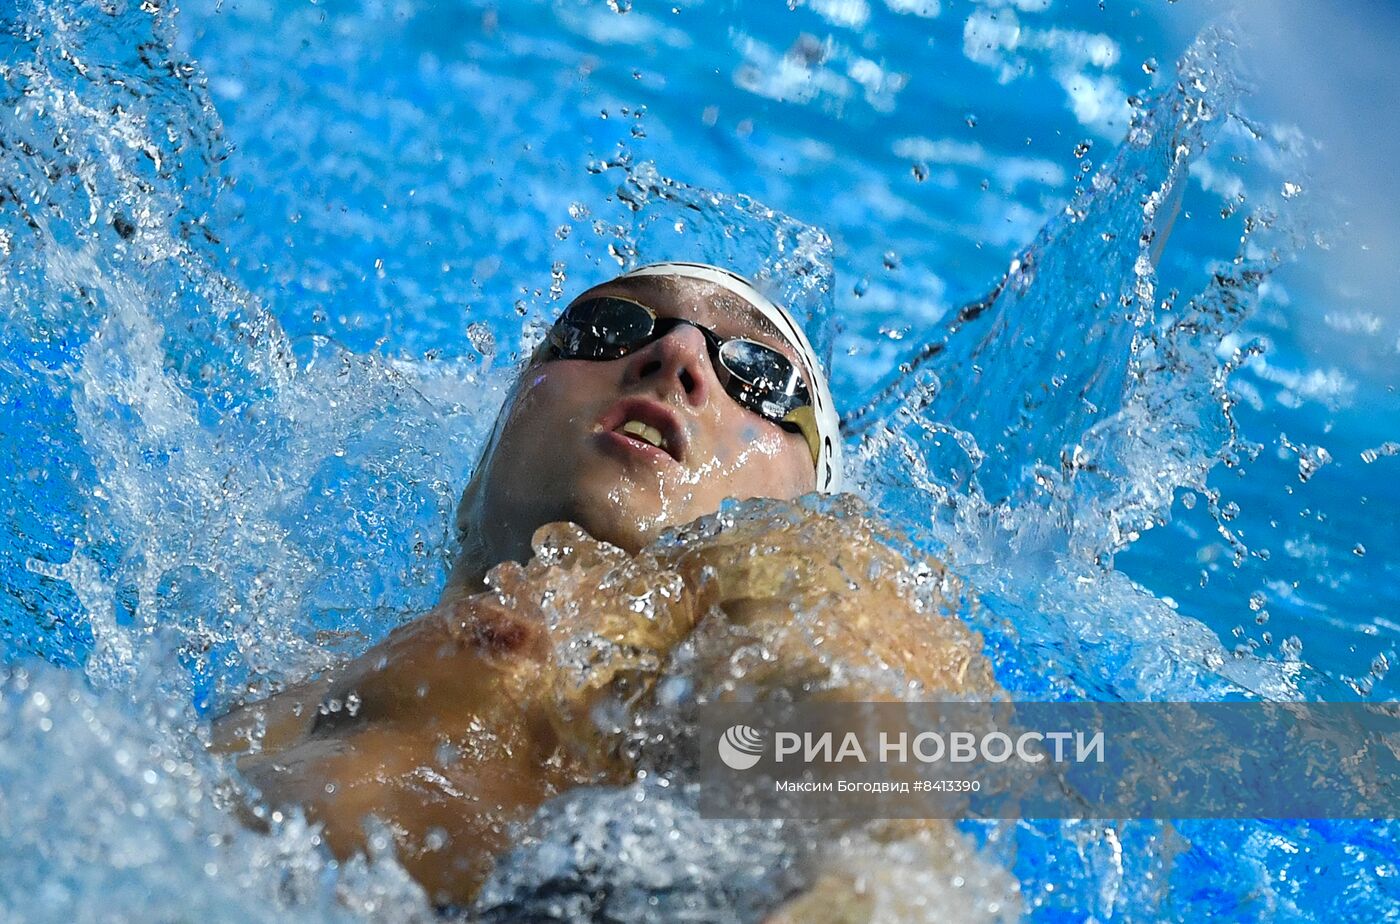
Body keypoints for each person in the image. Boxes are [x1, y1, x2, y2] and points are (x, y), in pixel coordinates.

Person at [211, 262, 1003, 919]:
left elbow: (860, 774)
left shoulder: (784, 579)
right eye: (610, 325)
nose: (677, 354)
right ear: (484, 461)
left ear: (809, 497)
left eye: (760, 376)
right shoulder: (301, 665)